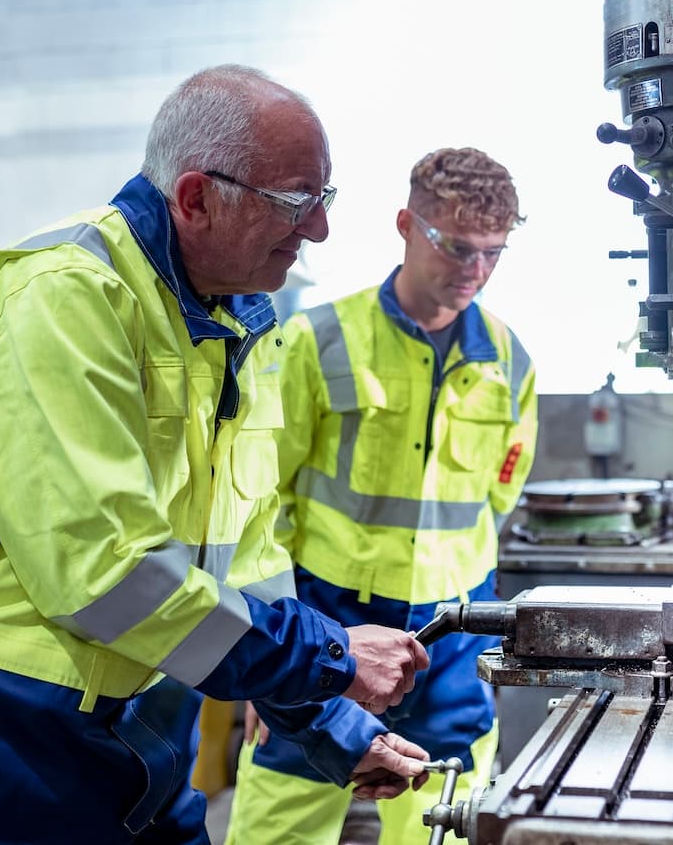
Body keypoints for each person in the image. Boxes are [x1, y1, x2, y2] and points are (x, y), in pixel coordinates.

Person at [0, 65, 432, 845]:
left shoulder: (231, 329)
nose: (320, 230)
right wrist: (329, 657)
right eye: (296, 202)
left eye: (323, 198)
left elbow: (242, 561)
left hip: (122, 718)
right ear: (196, 198)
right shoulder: (61, 295)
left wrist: (328, 720)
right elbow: (104, 572)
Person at [225, 147, 538, 845]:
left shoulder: (510, 361)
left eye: (493, 252)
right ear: (405, 225)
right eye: (456, 247)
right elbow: (257, 503)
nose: (475, 270)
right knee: (280, 827)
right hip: (324, 628)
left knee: (444, 824)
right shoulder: (316, 342)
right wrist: (264, 655)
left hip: (452, 642)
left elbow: (499, 496)